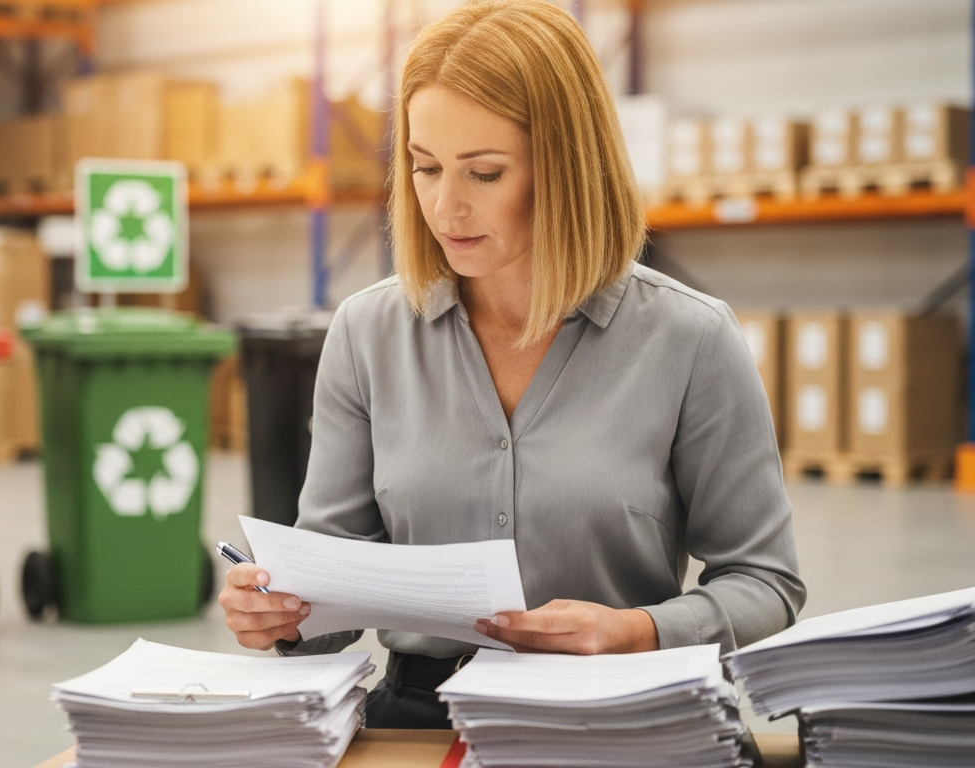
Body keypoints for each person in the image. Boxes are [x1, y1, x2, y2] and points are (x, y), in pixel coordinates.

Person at [219, 0, 805, 730]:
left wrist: (638, 632)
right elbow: (333, 597)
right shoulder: (367, 333)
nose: (445, 206)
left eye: (485, 173)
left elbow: (766, 580)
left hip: (619, 713)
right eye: (424, 168)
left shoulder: (691, 340)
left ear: (565, 167)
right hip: (420, 716)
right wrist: (282, 613)